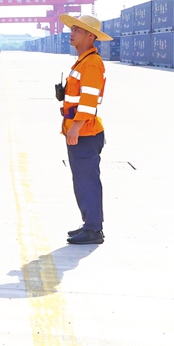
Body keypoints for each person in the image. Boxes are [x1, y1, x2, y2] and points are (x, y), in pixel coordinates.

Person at [57, 13, 112, 245]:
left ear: (90, 36)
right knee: (82, 180)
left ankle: (93, 230)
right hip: (81, 130)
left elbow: (88, 101)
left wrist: (76, 127)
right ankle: (89, 224)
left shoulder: (91, 63)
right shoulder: (83, 60)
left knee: (87, 180)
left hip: (85, 132)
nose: (72, 33)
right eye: (72, 29)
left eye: (77, 30)